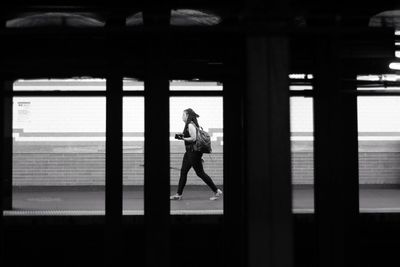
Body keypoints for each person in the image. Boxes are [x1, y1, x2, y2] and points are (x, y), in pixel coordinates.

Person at [170, 108, 223, 201]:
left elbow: (194, 138)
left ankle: (216, 190)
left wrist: (183, 139)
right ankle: (178, 194)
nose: (182, 117)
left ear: (187, 115)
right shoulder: (189, 125)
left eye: (183, 115)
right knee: (183, 172)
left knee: (200, 173)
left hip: (193, 153)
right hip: (189, 153)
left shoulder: (190, 125)